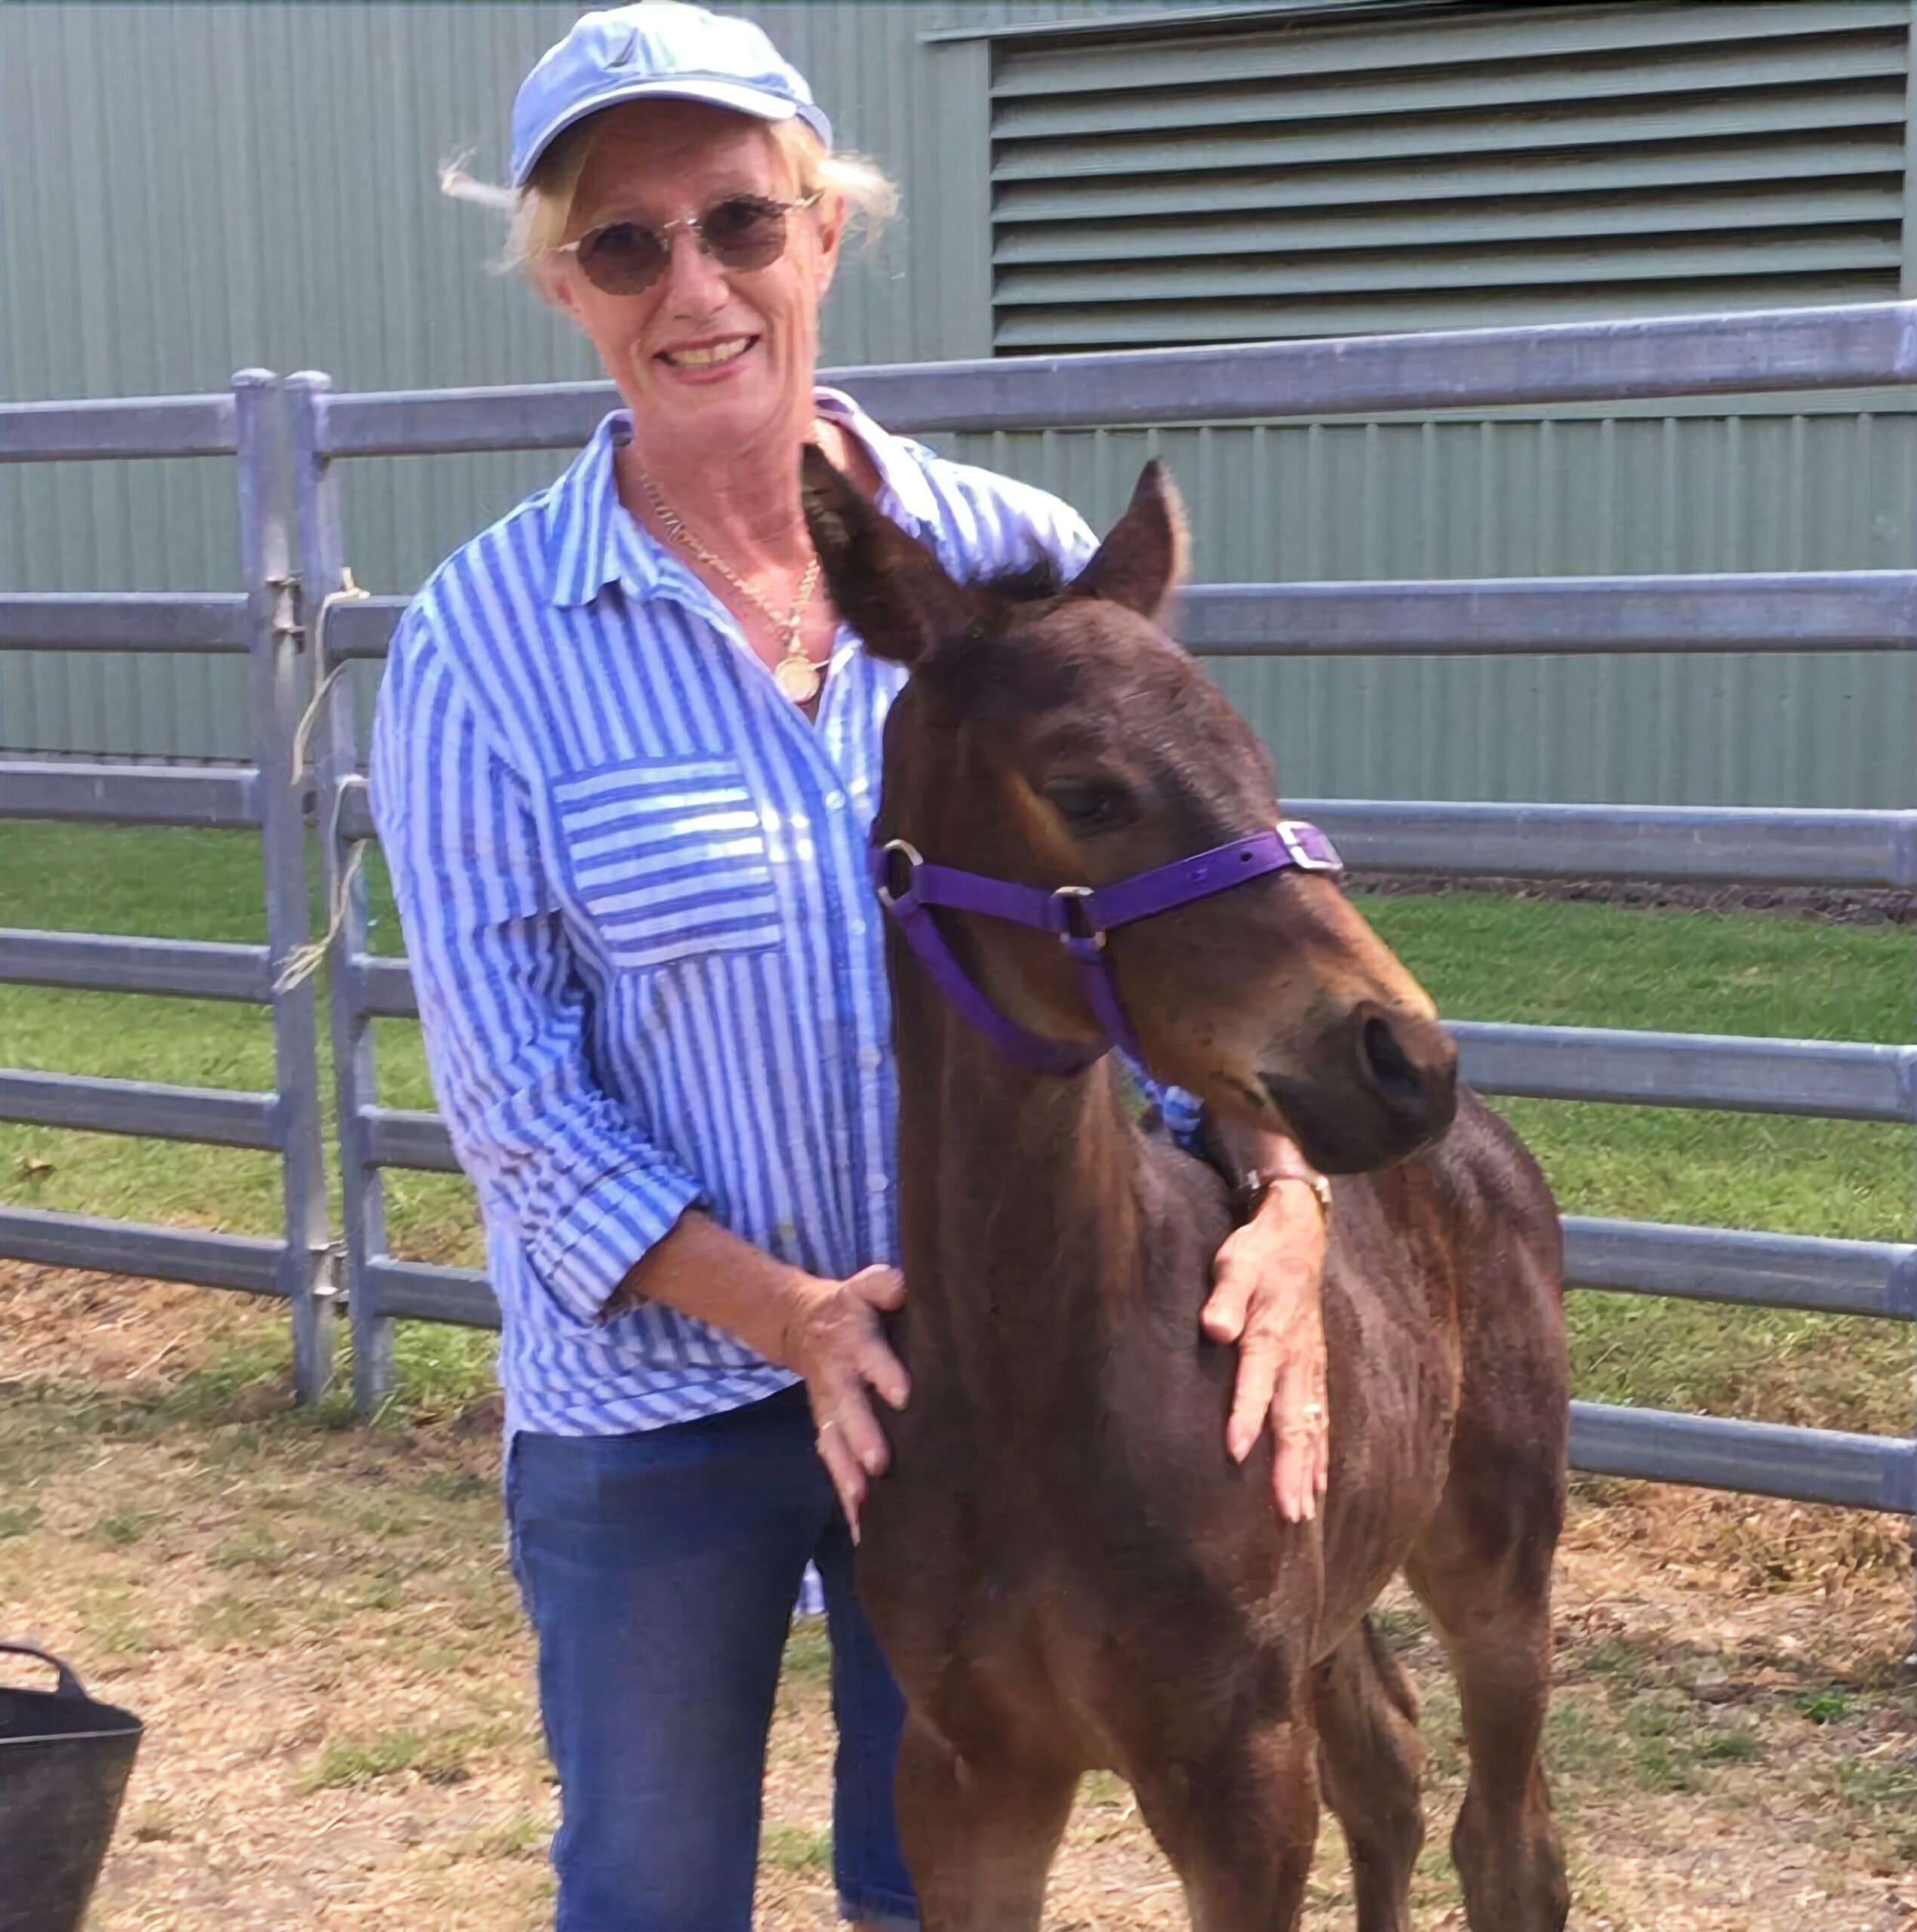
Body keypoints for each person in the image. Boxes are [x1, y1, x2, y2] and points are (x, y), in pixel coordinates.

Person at [369, 8, 1334, 1929]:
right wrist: (790, 1315)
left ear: (822, 230)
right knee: (649, 1885)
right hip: (659, 1389)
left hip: (1003, 1379)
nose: (693, 284)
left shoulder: (1013, 559)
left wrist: (1287, 1193)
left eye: (736, 218)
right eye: (624, 243)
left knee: (940, 1881)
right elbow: (512, 1090)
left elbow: (1194, 914)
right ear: (567, 285)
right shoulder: (485, 642)